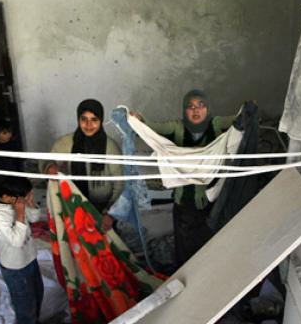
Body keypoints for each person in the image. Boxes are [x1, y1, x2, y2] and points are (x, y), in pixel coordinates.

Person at [139, 89, 236, 266]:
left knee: (208, 246)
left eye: (201, 106)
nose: (196, 111)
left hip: (210, 203)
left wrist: (249, 110)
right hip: (183, 203)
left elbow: (237, 121)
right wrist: (139, 121)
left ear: (207, 108)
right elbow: (154, 128)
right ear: (185, 110)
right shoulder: (177, 127)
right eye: (191, 107)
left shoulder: (215, 124)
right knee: (184, 250)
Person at [41, 99, 123, 231]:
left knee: (103, 247)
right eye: (84, 119)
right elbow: (47, 160)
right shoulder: (67, 142)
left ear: (101, 120)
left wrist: (111, 214)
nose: (88, 124)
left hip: (103, 210)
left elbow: (120, 185)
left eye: (94, 119)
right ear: (78, 119)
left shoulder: (110, 147)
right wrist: (50, 166)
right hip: (72, 207)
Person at [0, 176, 44, 324]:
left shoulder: (16, 202)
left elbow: (34, 218)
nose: (23, 200)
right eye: (22, 197)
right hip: (16, 268)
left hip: (30, 259)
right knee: (25, 307)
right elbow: (17, 241)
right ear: (6, 196)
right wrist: (19, 214)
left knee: (38, 294)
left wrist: (31, 203)